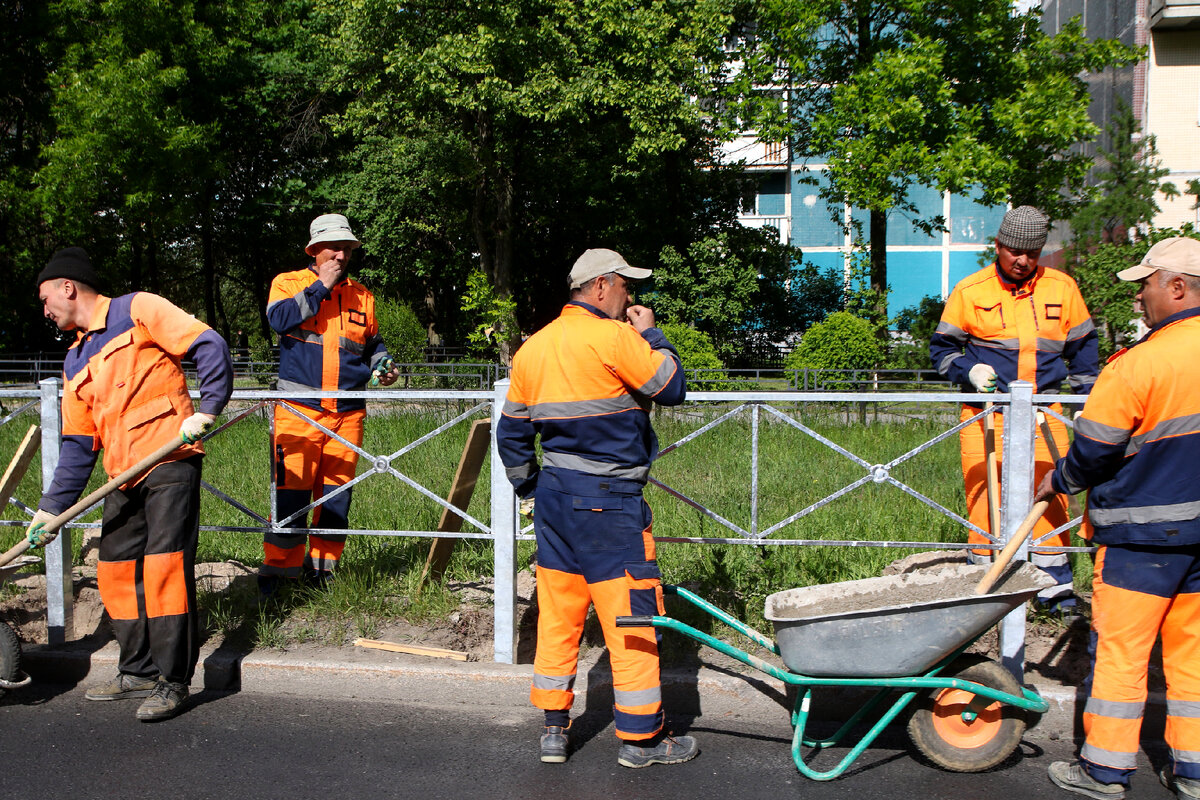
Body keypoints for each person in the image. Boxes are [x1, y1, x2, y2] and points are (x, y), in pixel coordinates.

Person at [496, 248, 697, 768]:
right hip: (609, 506)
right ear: (602, 286)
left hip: (555, 503)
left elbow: (511, 433)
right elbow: (671, 387)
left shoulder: (533, 348)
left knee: (559, 617)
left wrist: (530, 489)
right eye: (627, 287)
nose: (631, 297)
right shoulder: (615, 337)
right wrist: (652, 335)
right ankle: (642, 740)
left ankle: (554, 730)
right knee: (631, 619)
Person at [26, 246, 233, 721]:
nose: (45, 310)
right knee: (115, 570)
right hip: (121, 476)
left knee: (164, 568)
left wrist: (208, 408)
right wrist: (50, 509)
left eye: (45, 298)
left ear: (68, 287)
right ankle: (136, 670)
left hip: (168, 458)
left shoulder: (137, 309)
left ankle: (172, 680)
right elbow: (79, 446)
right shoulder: (75, 359)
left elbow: (208, 343)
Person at [1038, 237, 1200, 800]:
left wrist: (1057, 480)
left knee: (1123, 654)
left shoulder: (1140, 362)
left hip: (1140, 537)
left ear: (1176, 287)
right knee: (1193, 658)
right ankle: (1193, 773)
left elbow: (1094, 449)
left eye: (1146, 285)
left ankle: (1105, 770)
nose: (1140, 300)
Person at [930, 205, 1099, 610]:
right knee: (985, 494)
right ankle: (985, 584)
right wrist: (969, 371)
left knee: (1051, 493)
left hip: (1046, 410)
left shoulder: (1062, 289)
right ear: (999, 245)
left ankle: (1052, 587)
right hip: (986, 412)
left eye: (1032, 253)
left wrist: (1084, 403)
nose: (1023, 261)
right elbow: (941, 351)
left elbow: (1085, 351)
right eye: (1014, 252)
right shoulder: (972, 290)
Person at [261, 213, 399, 595]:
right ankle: (278, 573)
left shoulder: (363, 295)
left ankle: (322, 573)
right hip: (297, 412)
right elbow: (280, 320)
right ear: (314, 250)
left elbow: (372, 344)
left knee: (337, 495)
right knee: (291, 493)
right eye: (333, 247)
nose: (341, 254)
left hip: (347, 413)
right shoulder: (287, 283)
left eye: (347, 248)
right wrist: (323, 285)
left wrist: (384, 366)